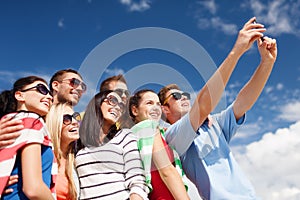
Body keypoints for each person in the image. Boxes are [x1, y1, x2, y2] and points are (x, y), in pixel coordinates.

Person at [157, 17, 277, 199]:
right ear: (165, 109)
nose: (183, 98)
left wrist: (266, 63)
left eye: (184, 95)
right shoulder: (172, 137)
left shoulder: (213, 124)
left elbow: (243, 102)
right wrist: (236, 52)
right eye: (175, 96)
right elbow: (203, 105)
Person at [75, 90, 148, 200]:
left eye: (121, 106)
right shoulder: (78, 142)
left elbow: (137, 178)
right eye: (113, 101)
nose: (118, 108)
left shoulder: (125, 136)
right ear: (97, 103)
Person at [0, 76, 56, 199]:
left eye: (50, 94)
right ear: (20, 95)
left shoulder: (8, 122)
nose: (49, 97)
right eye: (41, 89)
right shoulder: (32, 120)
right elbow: (33, 189)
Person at [129, 89, 190, 200]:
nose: (155, 108)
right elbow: (167, 171)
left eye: (158, 104)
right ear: (135, 110)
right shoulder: (149, 127)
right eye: (149, 103)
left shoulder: (133, 136)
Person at [46, 103, 81, 200]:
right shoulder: (42, 157)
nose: (75, 122)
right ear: (54, 123)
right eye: (67, 118)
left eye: (75, 117)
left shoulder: (75, 160)